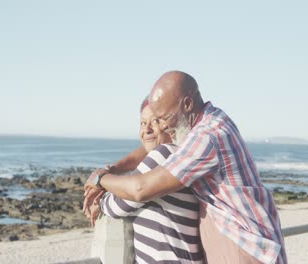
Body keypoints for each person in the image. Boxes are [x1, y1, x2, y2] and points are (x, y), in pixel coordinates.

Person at [85, 71, 287, 264]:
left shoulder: (206, 137)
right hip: (248, 242)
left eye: (163, 118)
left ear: (188, 104)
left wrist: (99, 180)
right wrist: (114, 169)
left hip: (244, 246)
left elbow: (140, 189)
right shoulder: (213, 120)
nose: (162, 126)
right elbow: (154, 145)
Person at [97, 98, 203, 263]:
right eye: (142, 123)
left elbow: (117, 206)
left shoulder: (165, 154)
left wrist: (99, 191)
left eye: (155, 121)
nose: (146, 129)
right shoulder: (177, 155)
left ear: (169, 123)